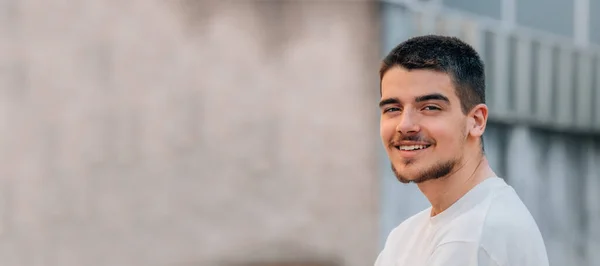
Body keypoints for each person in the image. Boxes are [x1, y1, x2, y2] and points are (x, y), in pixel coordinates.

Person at [374, 35, 549, 266]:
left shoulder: (476, 237)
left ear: (476, 120)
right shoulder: (405, 237)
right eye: (393, 108)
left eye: (430, 107)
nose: (404, 125)